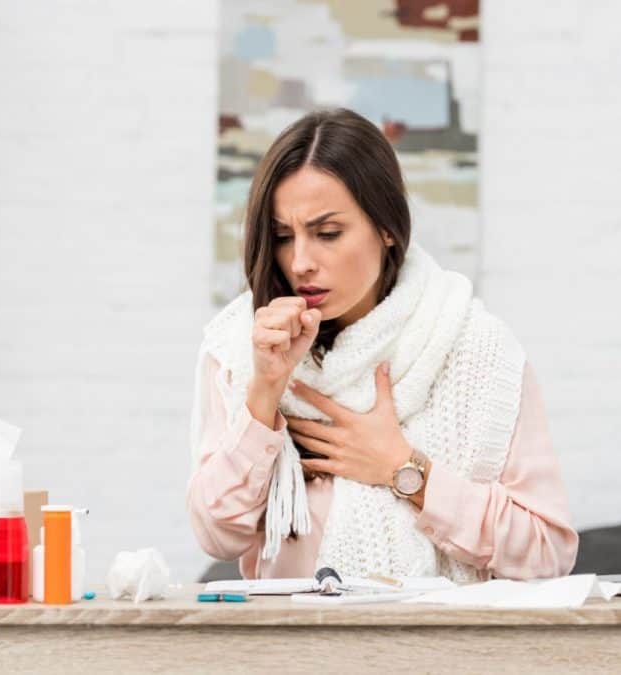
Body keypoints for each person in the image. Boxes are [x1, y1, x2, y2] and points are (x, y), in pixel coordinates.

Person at [187, 108, 577, 581]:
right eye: (284, 237)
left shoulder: (474, 349)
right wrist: (265, 390)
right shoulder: (238, 349)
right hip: (287, 649)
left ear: (387, 228)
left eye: (327, 233)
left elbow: (546, 552)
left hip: (440, 649)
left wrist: (402, 468)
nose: (301, 262)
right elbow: (218, 536)